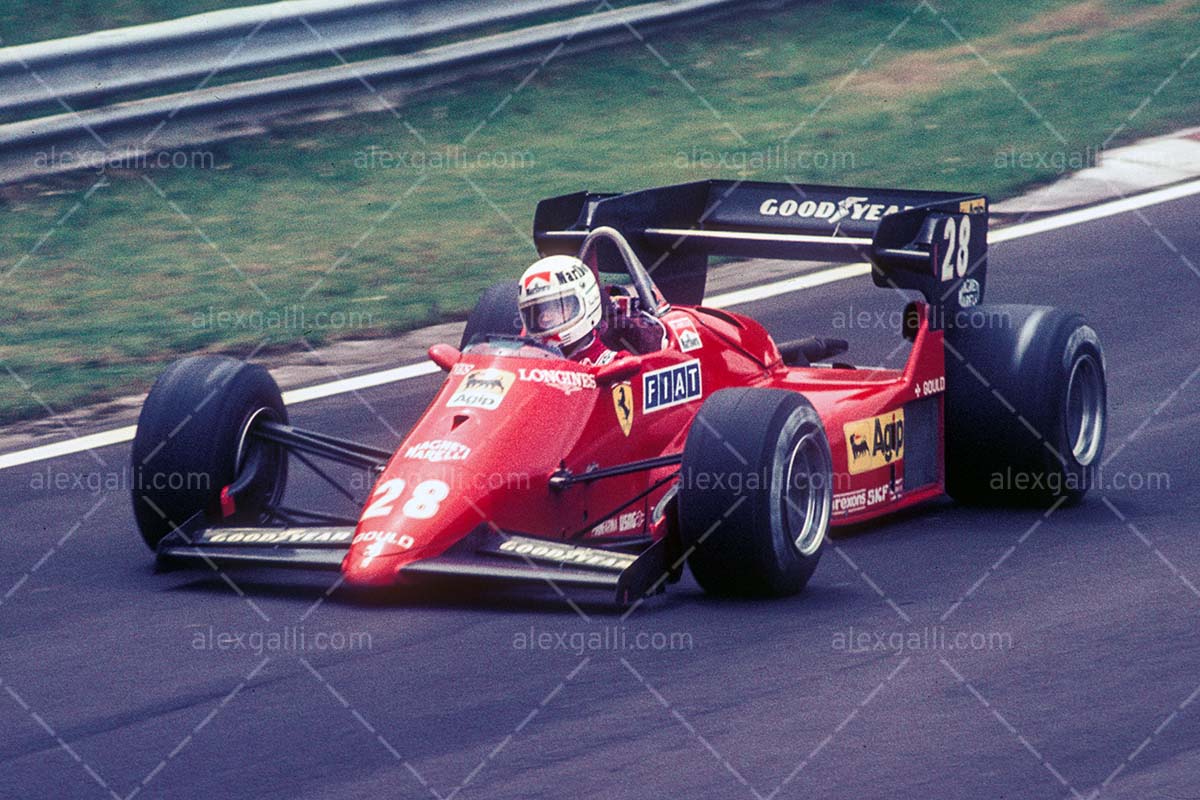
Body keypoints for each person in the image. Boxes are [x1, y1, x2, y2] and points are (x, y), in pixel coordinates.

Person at [517, 255, 626, 366]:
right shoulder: (525, 361)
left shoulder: (616, 364)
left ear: (588, 301)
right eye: (538, 312)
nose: (545, 318)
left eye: (556, 307)